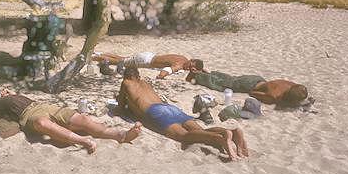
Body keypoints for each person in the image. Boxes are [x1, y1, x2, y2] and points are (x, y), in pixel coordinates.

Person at [0, 89, 142, 154]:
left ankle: (120, 135)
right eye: (1, 90)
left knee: (82, 118)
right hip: (28, 116)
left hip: (43, 104)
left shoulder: (14, 94)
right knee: (42, 123)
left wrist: (13, 92)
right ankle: (84, 142)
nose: (4, 90)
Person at [112, 67, 248, 161]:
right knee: (200, 131)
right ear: (138, 76)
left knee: (183, 136)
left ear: (126, 77)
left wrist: (119, 107)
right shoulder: (145, 82)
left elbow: (120, 107)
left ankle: (220, 139)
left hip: (155, 112)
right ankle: (230, 132)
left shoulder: (126, 83)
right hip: (169, 107)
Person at [187, 71, 309, 106]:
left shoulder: (292, 85)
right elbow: (253, 93)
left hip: (258, 78)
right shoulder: (274, 96)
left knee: (230, 79)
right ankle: (197, 75)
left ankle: (207, 72)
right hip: (249, 85)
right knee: (222, 85)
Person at [92, 52, 210, 79]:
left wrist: (202, 70)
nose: (188, 69)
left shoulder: (184, 59)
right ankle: (92, 57)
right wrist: (162, 77)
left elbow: (195, 66)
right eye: (190, 67)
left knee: (122, 59)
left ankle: (97, 54)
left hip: (148, 56)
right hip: (145, 61)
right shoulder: (178, 65)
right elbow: (162, 73)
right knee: (119, 61)